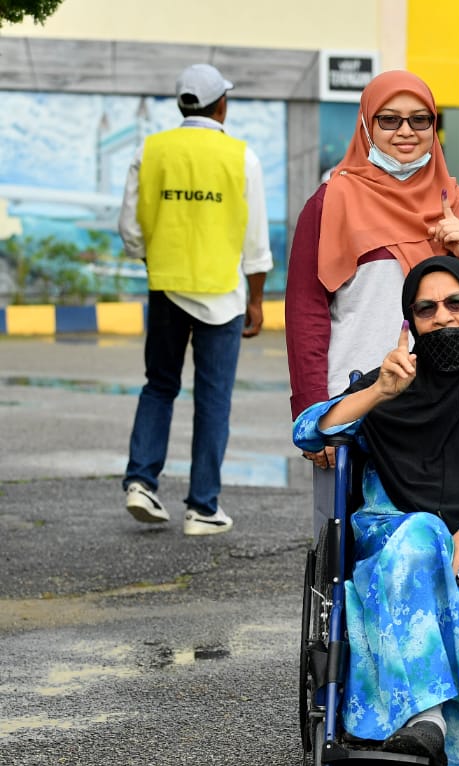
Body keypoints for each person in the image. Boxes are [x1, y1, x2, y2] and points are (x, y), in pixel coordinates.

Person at [292, 256, 459, 766]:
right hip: (399, 531)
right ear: (410, 320)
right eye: (426, 309)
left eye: (456, 303)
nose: (443, 317)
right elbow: (308, 433)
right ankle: (422, 719)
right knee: (421, 532)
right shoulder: (394, 382)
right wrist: (377, 393)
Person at [285, 70, 459, 535]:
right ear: (367, 125)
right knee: (347, 541)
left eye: (420, 120)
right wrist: (315, 410)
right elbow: (305, 314)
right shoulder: (330, 202)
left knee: (441, 537)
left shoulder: (456, 204)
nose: (406, 131)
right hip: (356, 404)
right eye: (390, 120)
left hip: (446, 406)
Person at [119, 63, 273, 536]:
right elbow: (256, 242)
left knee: (159, 385)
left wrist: (154, 259)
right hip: (222, 296)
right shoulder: (242, 158)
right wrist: (257, 300)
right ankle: (202, 507)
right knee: (213, 400)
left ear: (182, 104)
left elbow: (130, 229)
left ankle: (141, 481)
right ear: (221, 105)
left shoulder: (150, 151)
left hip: (166, 287)